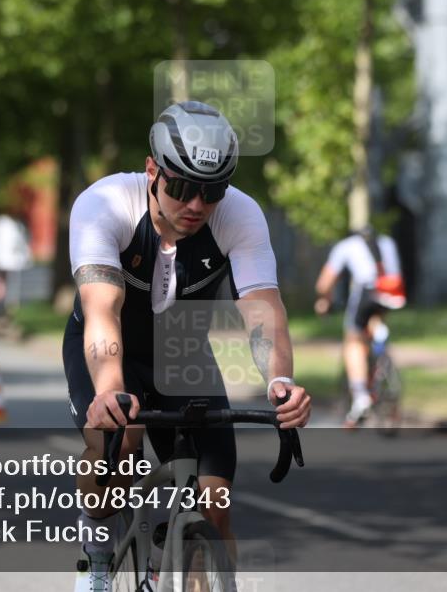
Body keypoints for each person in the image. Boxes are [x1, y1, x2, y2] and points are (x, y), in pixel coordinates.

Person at [64, 100, 311, 591]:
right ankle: (97, 554)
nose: (196, 205)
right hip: (112, 347)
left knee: (215, 506)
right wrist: (111, 390)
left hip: (182, 353)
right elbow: (102, 310)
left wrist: (280, 380)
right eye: (181, 188)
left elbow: (261, 308)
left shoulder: (240, 215)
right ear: (153, 170)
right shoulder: (105, 204)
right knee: (122, 445)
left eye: (212, 191)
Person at [314, 225, 406, 428]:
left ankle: (360, 396)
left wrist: (324, 301)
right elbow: (394, 273)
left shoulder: (345, 245)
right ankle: (381, 350)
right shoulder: (387, 242)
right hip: (393, 289)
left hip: (368, 290)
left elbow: (324, 284)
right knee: (375, 324)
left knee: (353, 341)